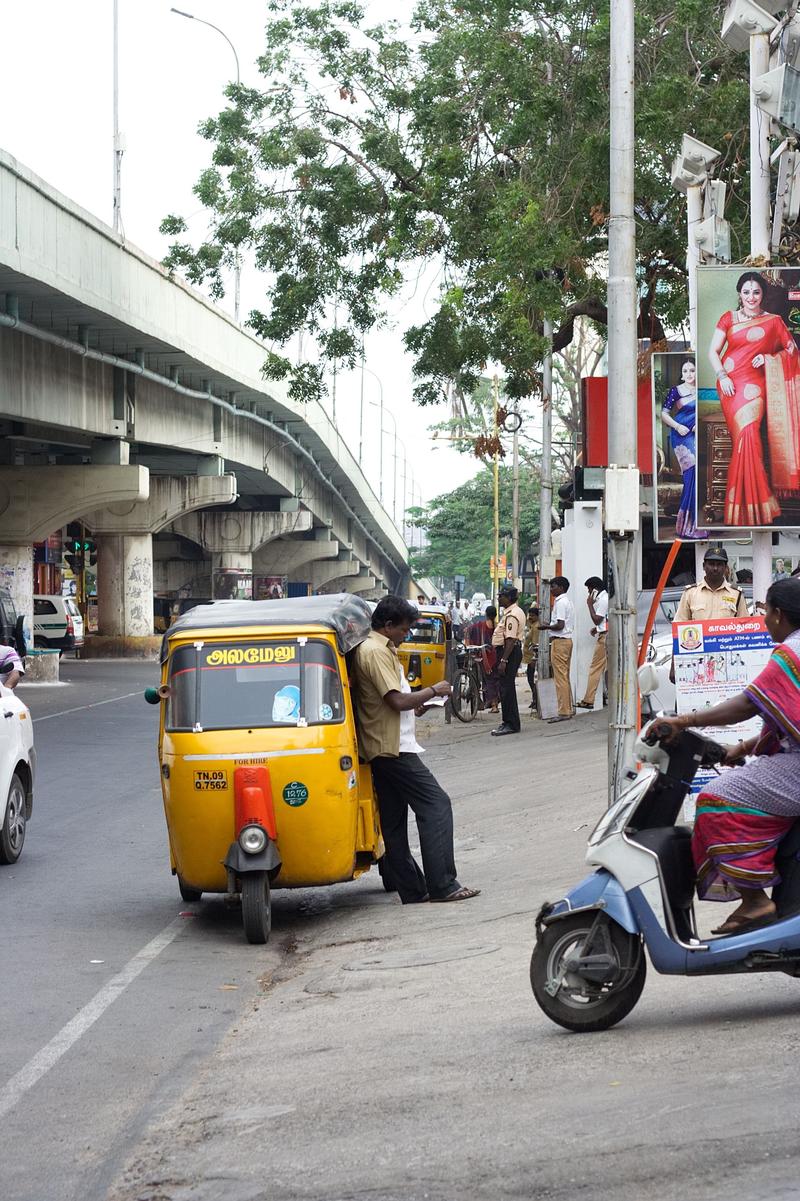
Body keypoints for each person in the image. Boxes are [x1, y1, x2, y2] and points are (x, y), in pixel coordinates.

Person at [657, 577, 800, 935]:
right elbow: (788, 717)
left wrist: (684, 719)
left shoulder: (790, 654)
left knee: (715, 799)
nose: (764, 619)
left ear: (779, 614)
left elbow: (747, 704)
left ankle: (755, 901)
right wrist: (749, 746)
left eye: (766, 612)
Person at [351, 596, 480, 904]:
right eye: (404, 630)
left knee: (394, 821)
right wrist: (433, 690)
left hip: (384, 743)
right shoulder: (374, 651)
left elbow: (390, 701)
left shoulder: (378, 648)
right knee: (436, 805)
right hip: (393, 747)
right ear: (388, 625)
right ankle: (442, 884)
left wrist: (418, 704)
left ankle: (412, 888)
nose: (406, 635)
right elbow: (394, 700)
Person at [708, 270, 799, 526]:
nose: (751, 297)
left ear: (763, 295)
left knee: (749, 435)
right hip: (730, 384)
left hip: (757, 383)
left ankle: (753, 505)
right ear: (740, 293)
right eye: (746, 292)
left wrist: (769, 358)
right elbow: (713, 351)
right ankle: (754, 504)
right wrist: (723, 375)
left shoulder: (774, 321)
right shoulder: (728, 318)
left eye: (756, 292)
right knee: (743, 436)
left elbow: (792, 351)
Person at [660, 359, 702, 537]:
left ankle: (693, 525)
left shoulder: (701, 391)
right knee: (690, 476)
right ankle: (687, 526)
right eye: (685, 371)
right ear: (681, 374)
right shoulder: (676, 391)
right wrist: (678, 427)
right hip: (681, 435)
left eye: (692, 370)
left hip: (697, 434)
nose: (689, 374)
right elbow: (663, 413)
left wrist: (697, 425)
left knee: (697, 477)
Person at [673, 547, 748, 623]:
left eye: (719, 564)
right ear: (704, 566)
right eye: (711, 564)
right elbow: (679, 624)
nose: (715, 568)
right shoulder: (690, 593)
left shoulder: (736, 594)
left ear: (725, 567)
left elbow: (745, 625)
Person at [490, 584, 526, 736]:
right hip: (508, 652)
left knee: (506, 689)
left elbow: (510, 640)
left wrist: (503, 661)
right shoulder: (511, 612)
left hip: (508, 652)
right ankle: (508, 722)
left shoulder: (512, 614)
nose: (499, 598)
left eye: (501, 596)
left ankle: (510, 723)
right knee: (506, 687)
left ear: (509, 598)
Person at [543, 577, 575, 722]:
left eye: (553, 586)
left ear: (561, 587)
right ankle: (568, 709)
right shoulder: (567, 601)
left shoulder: (561, 602)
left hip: (560, 642)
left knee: (560, 678)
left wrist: (547, 627)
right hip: (566, 641)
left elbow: (560, 625)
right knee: (564, 677)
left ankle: (564, 711)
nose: (551, 589)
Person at [577, 576, 608, 711]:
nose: (589, 593)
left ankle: (588, 700)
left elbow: (597, 619)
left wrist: (589, 605)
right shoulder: (605, 599)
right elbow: (606, 619)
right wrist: (598, 628)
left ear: (595, 590)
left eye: (589, 590)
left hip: (605, 638)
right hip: (605, 634)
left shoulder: (603, 600)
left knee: (595, 668)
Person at [467, 605, 499, 714]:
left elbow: (468, 630)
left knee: (489, 681)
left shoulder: (480, 625)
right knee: (494, 681)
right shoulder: (498, 626)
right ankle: (491, 703)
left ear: (486, 614)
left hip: (486, 657)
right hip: (496, 656)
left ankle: (494, 705)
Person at [522, 606, 540, 712]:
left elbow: (535, 644)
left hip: (532, 658)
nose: (530, 617)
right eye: (529, 615)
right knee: (530, 679)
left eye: (533, 616)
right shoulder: (532, 625)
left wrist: (534, 658)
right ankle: (534, 699)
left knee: (531, 679)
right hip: (529, 658)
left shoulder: (536, 627)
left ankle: (536, 700)